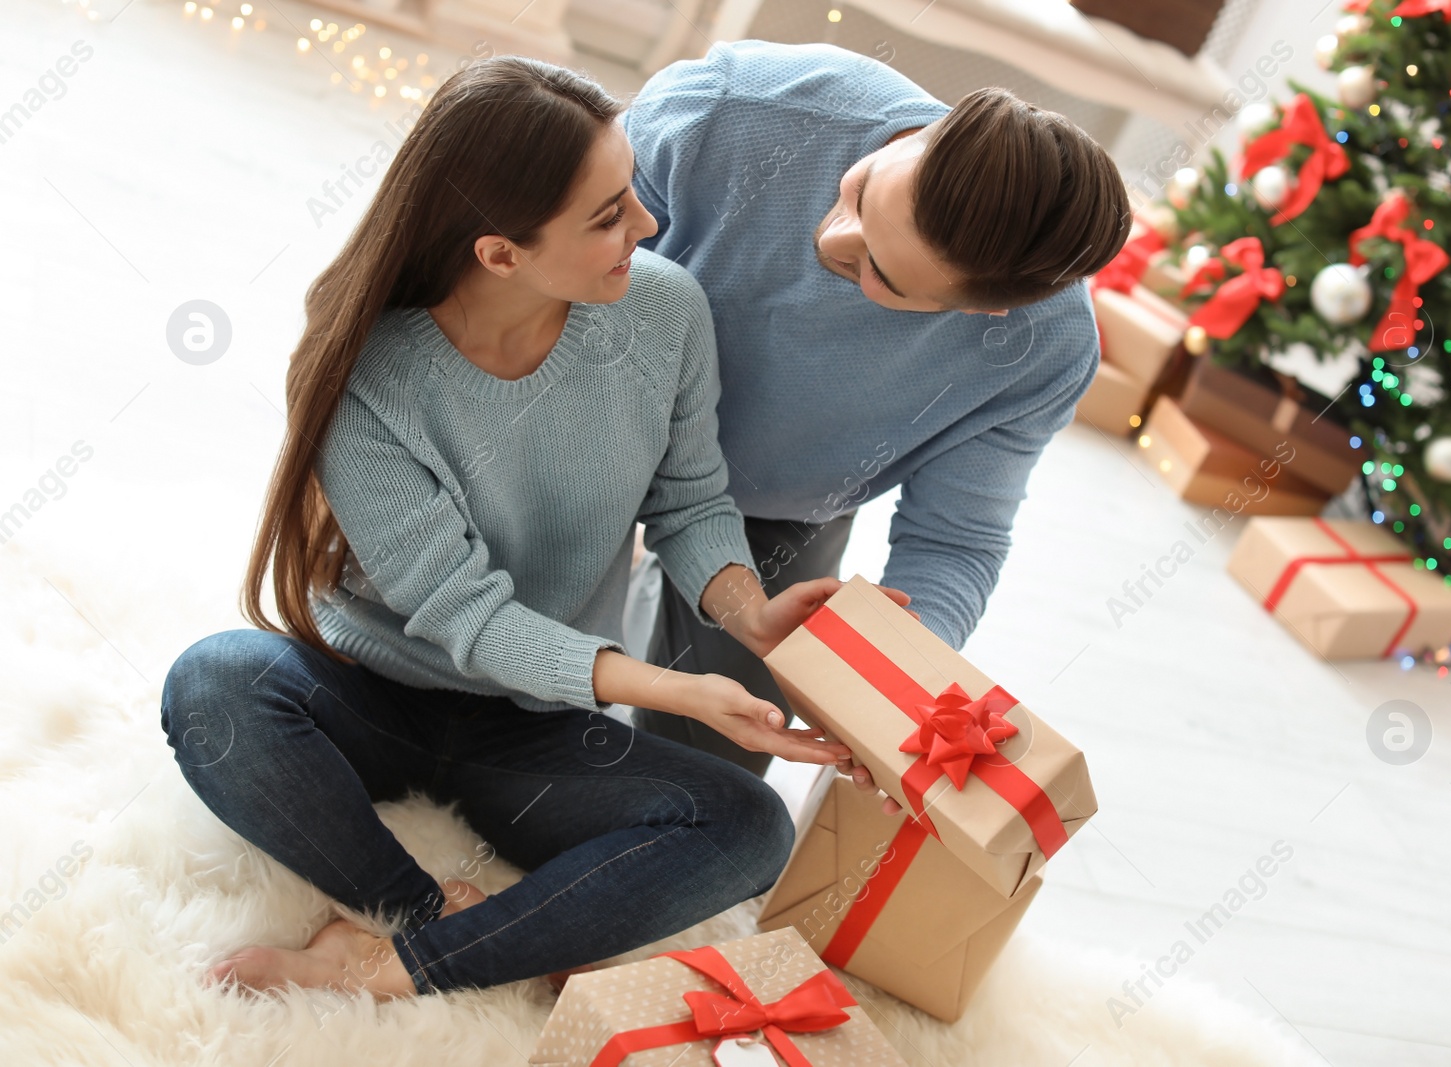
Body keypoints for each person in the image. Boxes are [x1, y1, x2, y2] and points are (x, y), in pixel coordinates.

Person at [158, 55, 909, 1000]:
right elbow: (466, 616)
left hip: (537, 728)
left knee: (749, 824)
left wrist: (747, 617)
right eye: (607, 215)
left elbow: (688, 498)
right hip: (371, 692)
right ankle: (419, 914)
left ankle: (392, 962)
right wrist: (681, 694)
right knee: (214, 685)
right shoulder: (370, 376)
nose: (646, 221)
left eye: (631, 190)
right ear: (498, 252)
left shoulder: (665, 309)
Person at [625, 40, 1132, 780]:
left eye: (880, 276)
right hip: (584, 414)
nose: (833, 239)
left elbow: (955, 539)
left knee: (712, 786)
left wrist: (895, 679)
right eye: (861, 194)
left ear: (984, 309)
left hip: (775, 507)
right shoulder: (731, 107)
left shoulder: (1042, 349)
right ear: (931, 131)